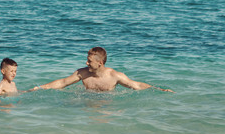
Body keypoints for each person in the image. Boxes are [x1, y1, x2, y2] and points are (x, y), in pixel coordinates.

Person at [30, 47, 174, 92]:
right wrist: (40, 88)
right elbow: (62, 83)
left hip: (107, 110)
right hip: (86, 109)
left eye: (89, 61)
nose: (86, 62)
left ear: (100, 63)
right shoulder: (82, 73)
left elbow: (136, 85)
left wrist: (159, 90)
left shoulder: (114, 76)